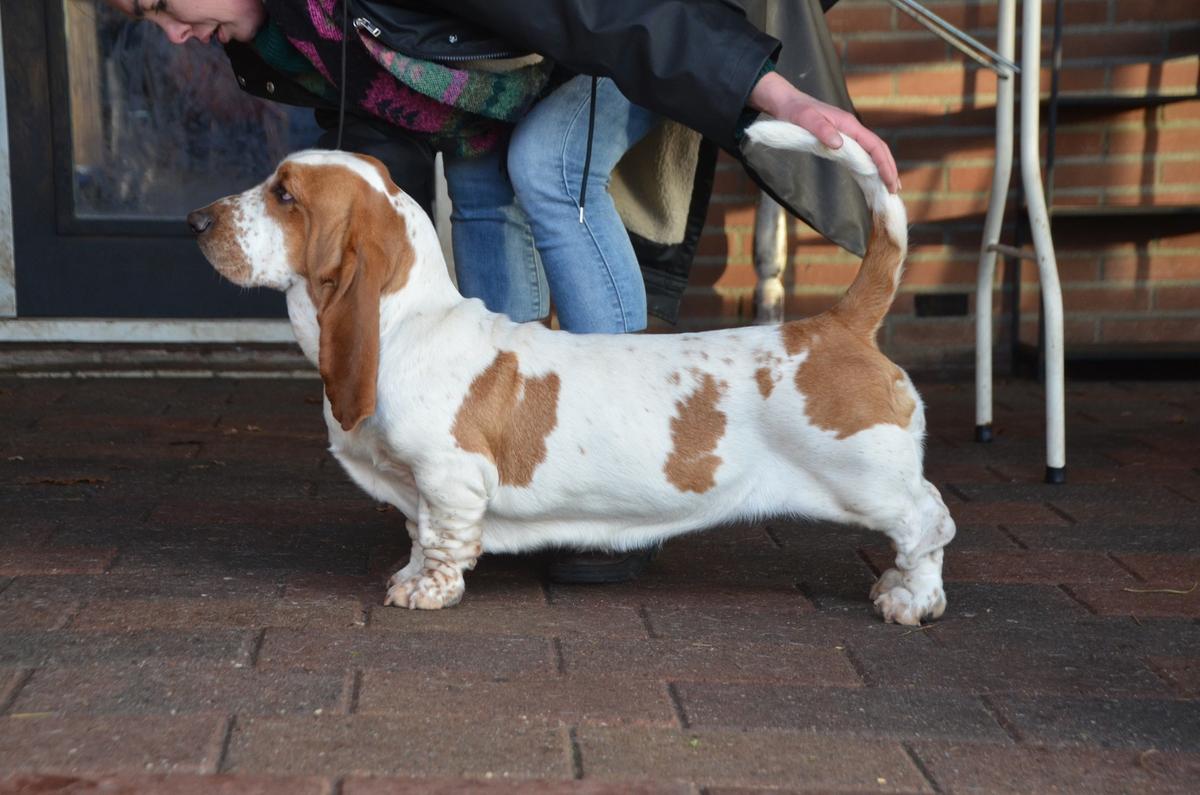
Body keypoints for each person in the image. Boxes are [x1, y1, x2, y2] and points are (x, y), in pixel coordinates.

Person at [105, 0, 899, 582]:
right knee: (482, 182)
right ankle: (516, 469)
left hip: (629, 25)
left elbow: (606, 13)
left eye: (160, 3)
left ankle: (630, 470)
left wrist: (771, 91)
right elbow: (381, 182)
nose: (172, 33)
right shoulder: (285, 36)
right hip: (510, 62)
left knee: (546, 168)